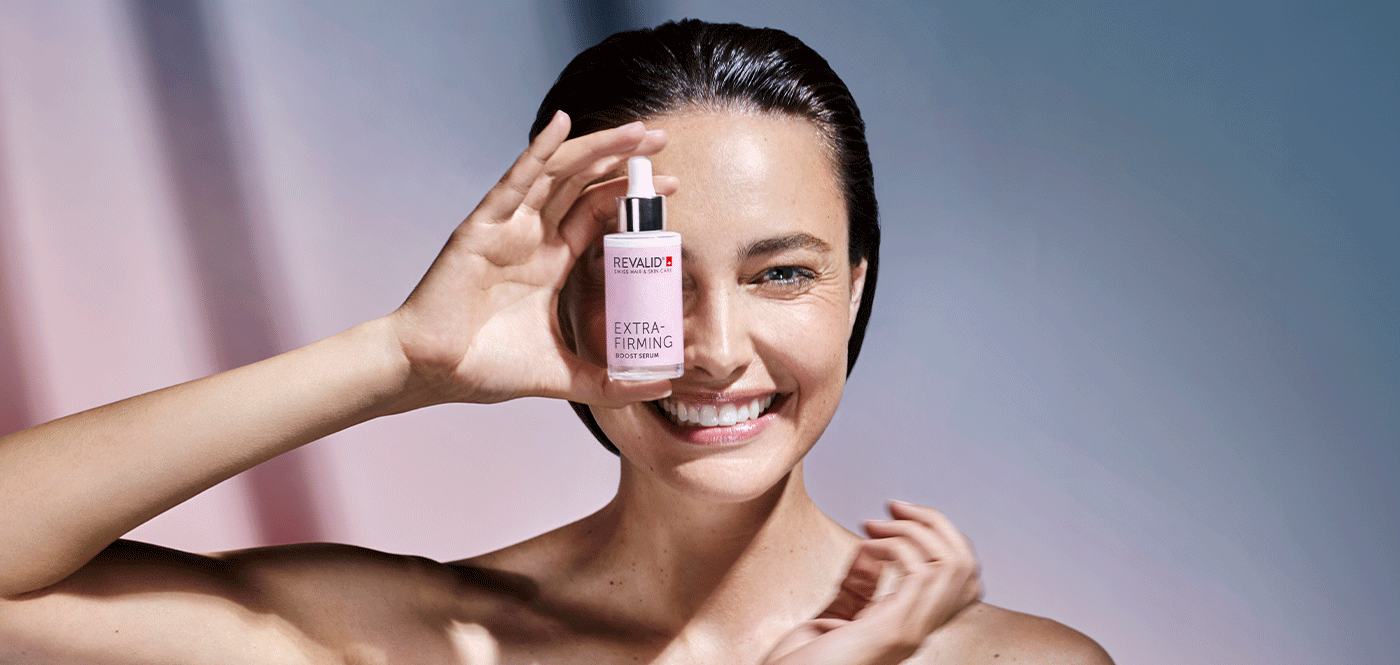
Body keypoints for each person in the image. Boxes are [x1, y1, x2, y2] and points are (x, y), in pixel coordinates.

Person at [0, 20, 1111, 664]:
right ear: (576, 301)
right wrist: (397, 359)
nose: (717, 347)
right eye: (651, 274)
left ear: (855, 291)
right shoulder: (424, 635)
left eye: (783, 273)